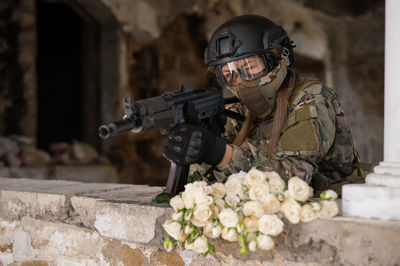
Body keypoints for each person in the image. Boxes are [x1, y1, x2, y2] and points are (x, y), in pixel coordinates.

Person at [162, 15, 367, 194]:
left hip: (331, 211)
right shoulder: (237, 110)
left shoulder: (312, 99)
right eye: (228, 75)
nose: (240, 81)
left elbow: (295, 178)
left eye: (249, 68)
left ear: (278, 57)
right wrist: (196, 151)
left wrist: (220, 152)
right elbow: (214, 182)